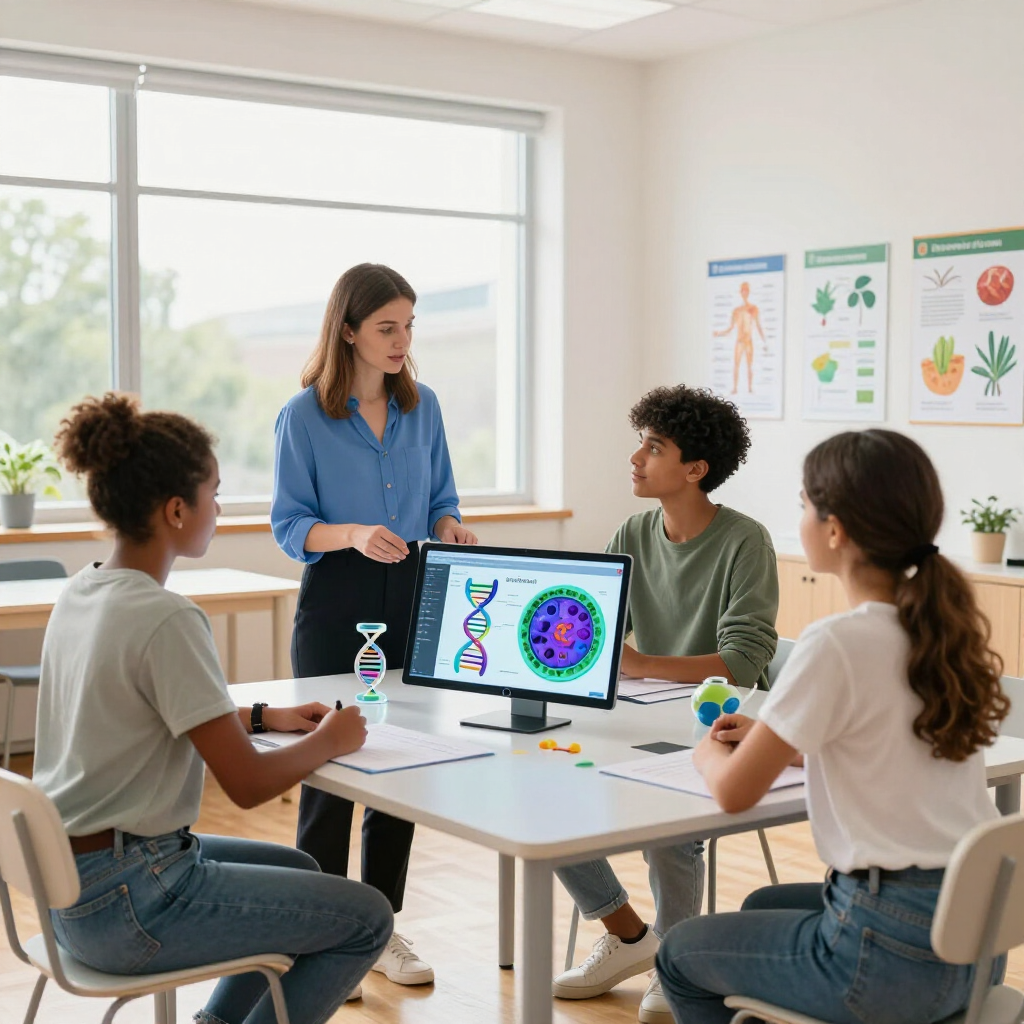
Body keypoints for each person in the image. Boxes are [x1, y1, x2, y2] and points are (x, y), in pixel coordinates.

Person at [32, 393, 393, 1024]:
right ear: (177, 510)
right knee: (367, 917)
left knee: (302, 871)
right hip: (133, 899)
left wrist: (259, 717)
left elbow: (137, 707)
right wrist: (330, 739)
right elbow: (249, 785)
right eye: (215, 494)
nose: (219, 509)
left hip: (70, 888)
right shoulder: (166, 615)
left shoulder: (82, 590)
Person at [656, 429, 1010, 1024]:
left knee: (679, 954)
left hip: (889, 957)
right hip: (971, 939)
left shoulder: (837, 642)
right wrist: (777, 741)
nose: (799, 520)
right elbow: (881, 743)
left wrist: (706, 752)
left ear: (836, 529)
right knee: (762, 904)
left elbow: (733, 792)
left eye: (803, 506)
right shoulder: (943, 631)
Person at [271, 263, 478, 988]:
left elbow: (443, 495)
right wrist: (353, 533)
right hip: (337, 594)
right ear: (349, 330)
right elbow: (289, 524)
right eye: (387, 327)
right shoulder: (303, 416)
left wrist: (449, 525)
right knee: (328, 768)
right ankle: (325, 937)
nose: (402, 341)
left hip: (415, 588)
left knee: (403, 764)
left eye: (410, 326)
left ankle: (381, 929)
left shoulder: (425, 408)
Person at [552, 385, 779, 1023]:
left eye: (654, 447)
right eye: (641, 442)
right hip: (630, 715)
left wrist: (645, 664)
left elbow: (744, 661)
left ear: (695, 469)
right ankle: (631, 938)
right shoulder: (632, 530)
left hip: (711, 728)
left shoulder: (745, 541)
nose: (636, 458)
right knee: (545, 797)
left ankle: (675, 964)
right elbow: (596, 623)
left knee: (670, 833)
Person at [713, 281, 766, 395]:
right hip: (739, 341)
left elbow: (758, 325)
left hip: (748, 341)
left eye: (746, 290)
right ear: (740, 292)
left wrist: (764, 341)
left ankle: (750, 387)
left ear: (749, 292)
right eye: (743, 290)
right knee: (736, 364)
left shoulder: (753, 308)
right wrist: (719, 333)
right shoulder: (736, 311)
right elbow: (730, 328)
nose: (745, 293)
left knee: (749, 365)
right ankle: (735, 387)